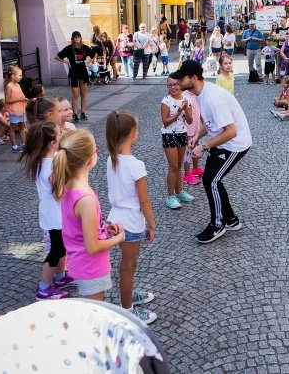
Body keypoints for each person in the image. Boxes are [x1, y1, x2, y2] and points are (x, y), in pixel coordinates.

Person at [171, 60, 252, 244]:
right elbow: (210, 123)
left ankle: (218, 225)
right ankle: (231, 220)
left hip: (235, 144)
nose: (178, 83)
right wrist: (197, 136)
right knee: (212, 179)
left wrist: (205, 146)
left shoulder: (213, 98)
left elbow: (231, 131)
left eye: (181, 79)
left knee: (211, 180)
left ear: (193, 78)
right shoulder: (199, 93)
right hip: (222, 140)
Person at [52, 129, 125, 300]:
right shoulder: (86, 199)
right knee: (93, 317)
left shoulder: (67, 186)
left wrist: (103, 227)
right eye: (96, 150)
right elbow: (93, 247)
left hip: (80, 264)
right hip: (91, 268)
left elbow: (77, 226)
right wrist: (118, 239)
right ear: (90, 159)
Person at [104, 111, 157, 323]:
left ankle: (129, 295)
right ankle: (127, 309)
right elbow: (144, 201)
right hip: (131, 222)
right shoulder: (136, 165)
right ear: (133, 134)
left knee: (127, 265)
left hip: (116, 216)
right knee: (128, 266)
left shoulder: (112, 158)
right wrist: (152, 224)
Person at [19, 122, 73, 300]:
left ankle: (59, 277)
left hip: (50, 213)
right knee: (56, 250)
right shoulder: (51, 166)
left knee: (60, 247)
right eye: (59, 135)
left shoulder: (43, 160)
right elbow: (59, 191)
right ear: (52, 143)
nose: (62, 136)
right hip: (54, 215)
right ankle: (43, 288)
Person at [161, 79, 195, 210]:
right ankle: (170, 196)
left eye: (175, 85)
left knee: (180, 164)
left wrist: (186, 110)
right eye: (169, 85)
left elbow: (190, 121)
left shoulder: (187, 99)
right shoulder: (166, 101)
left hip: (182, 133)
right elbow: (165, 122)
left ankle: (179, 192)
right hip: (169, 135)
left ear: (180, 85)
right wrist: (178, 112)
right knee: (173, 166)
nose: (172, 88)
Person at [55, 31, 95, 121]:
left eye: (78, 37)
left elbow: (94, 54)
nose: (77, 38)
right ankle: (75, 114)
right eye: (75, 37)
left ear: (80, 38)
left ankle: (83, 112)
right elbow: (57, 56)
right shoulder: (69, 49)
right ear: (72, 39)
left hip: (83, 71)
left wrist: (88, 62)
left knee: (84, 93)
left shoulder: (84, 48)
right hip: (74, 72)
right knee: (75, 94)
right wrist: (66, 62)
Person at [4, 66, 28, 152]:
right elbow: (7, 100)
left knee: (21, 127)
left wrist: (24, 99)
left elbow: (21, 95)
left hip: (21, 110)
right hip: (14, 111)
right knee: (13, 128)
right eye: (20, 75)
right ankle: (14, 146)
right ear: (13, 76)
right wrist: (20, 99)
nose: (21, 77)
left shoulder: (17, 85)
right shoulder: (9, 86)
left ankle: (24, 144)